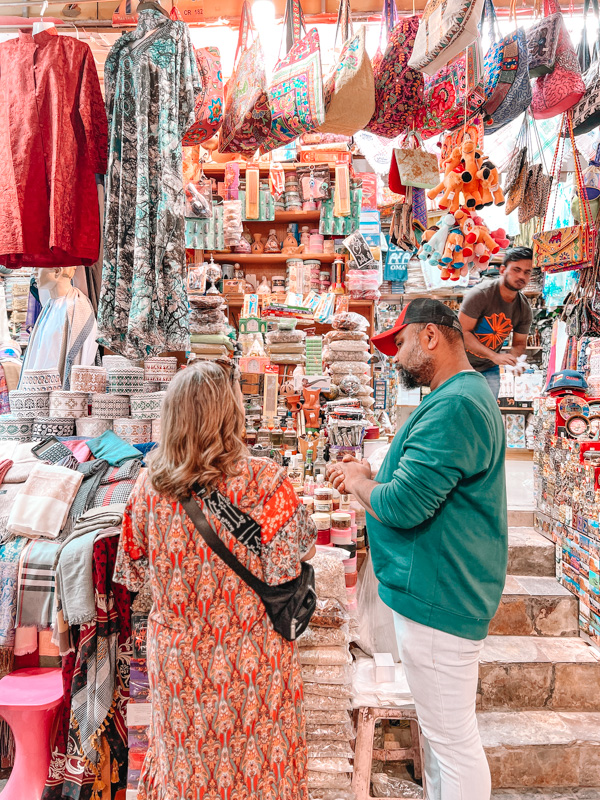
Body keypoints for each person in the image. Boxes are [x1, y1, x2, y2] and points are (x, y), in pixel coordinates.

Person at [328, 299, 507, 800]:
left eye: (402, 343)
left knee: (451, 739)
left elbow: (405, 505)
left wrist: (358, 482)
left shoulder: (455, 405)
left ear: (430, 336)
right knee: (443, 734)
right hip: (439, 587)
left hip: (441, 595)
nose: (397, 357)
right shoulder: (457, 397)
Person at [114, 360, 316, 800]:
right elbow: (291, 564)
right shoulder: (268, 483)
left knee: (186, 768)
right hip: (253, 661)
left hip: (179, 662)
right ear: (231, 414)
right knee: (260, 767)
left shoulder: (148, 488)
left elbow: (129, 572)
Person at [458, 246, 533, 398]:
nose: (521, 276)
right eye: (516, 269)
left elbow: (519, 344)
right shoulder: (480, 295)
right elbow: (462, 334)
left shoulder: (524, 308)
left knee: (487, 412)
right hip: (459, 364)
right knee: (459, 411)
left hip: (489, 369)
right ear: (502, 270)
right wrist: (494, 356)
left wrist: (513, 360)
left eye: (527, 272)